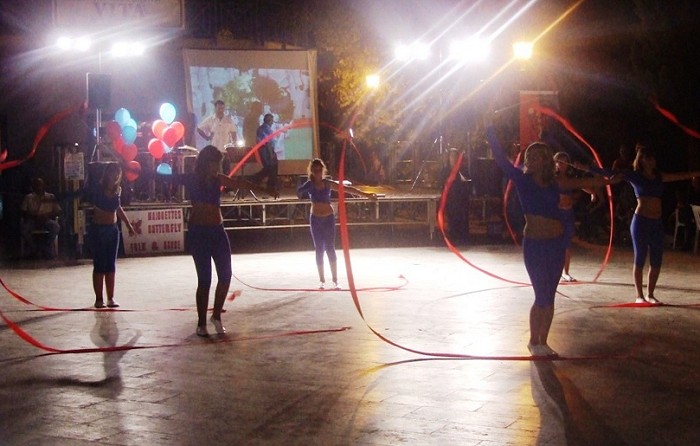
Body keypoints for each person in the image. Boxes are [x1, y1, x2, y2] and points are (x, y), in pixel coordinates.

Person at [486, 125, 620, 357]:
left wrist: (609, 182)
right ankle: (533, 341)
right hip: (535, 245)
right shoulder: (522, 179)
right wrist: (490, 128)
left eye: (537, 155)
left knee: (549, 294)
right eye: (530, 156)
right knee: (541, 294)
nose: (532, 159)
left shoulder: (555, 183)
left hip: (555, 244)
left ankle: (543, 342)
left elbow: (584, 182)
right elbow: (501, 159)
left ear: (546, 160)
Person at [172, 145, 272, 337]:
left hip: (218, 232)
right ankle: (201, 322)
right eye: (214, 163)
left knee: (225, 275)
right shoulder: (192, 179)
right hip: (199, 234)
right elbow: (168, 178)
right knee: (204, 279)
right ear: (206, 163)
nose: (217, 167)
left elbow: (240, 184)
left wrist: (264, 189)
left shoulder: (218, 179)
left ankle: (216, 316)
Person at [622, 144, 700, 304]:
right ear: (641, 160)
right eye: (648, 158)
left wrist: (695, 173)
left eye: (653, 158)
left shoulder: (659, 177)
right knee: (640, 257)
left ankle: (650, 294)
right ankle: (639, 296)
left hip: (656, 223)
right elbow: (613, 174)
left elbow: (679, 176)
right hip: (641, 222)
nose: (652, 161)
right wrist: (589, 169)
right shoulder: (635, 176)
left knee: (656, 259)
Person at [297, 158, 376, 289]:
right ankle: (322, 280)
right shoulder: (309, 185)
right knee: (319, 249)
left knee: (330, 247)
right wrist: (303, 187)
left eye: (319, 170)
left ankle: (335, 280)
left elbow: (346, 189)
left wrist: (366, 194)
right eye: (315, 171)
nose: (317, 173)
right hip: (315, 219)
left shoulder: (327, 184)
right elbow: (298, 192)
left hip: (328, 219)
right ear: (312, 171)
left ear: (323, 171)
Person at [88, 163, 135, 308]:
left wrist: (128, 225)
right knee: (99, 265)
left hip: (112, 230)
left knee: (111, 265)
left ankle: (111, 298)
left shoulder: (118, 190)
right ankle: (99, 299)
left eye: (118, 173)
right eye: (113, 172)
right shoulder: (98, 189)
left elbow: (118, 208)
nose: (116, 175)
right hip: (98, 230)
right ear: (107, 173)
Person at [20, 177, 62, 259]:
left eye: (40, 185)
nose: (38, 187)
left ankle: (46, 248)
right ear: (33, 187)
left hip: (47, 220)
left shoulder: (50, 196)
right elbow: (23, 211)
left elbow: (58, 211)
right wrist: (34, 216)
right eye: (36, 185)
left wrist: (47, 215)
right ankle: (35, 248)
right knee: (24, 229)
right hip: (32, 220)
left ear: (44, 186)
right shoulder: (28, 197)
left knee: (56, 226)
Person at [439, 148, 471, 245]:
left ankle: (463, 237)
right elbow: (441, 182)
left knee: (462, 218)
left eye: (455, 156)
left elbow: (468, 181)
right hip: (451, 199)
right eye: (451, 156)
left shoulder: (463, 169)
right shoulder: (445, 170)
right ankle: (453, 235)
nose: (453, 158)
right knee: (452, 218)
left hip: (461, 198)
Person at [197, 99, 238, 174]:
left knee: (226, 170)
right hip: (214, 150)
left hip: (226, 150)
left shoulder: (228, 120)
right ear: (215, 108)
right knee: (215, 170)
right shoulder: (210, 119)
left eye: (222, 108)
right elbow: (199, 129)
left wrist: (234, 144)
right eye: (219, 108)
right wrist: (207, 137)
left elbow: (233, 132)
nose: (221, 110)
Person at [250, 113, 279, 192]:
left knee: (270, 168)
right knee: (271, 168)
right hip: (266, 150)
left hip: (265, 150)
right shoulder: (265, 129)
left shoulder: (261, 128)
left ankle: (259, 181)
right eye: (271, 120)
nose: (272, 122)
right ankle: (266, 184)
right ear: (269, 120)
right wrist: (271, 153)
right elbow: (267, 142)